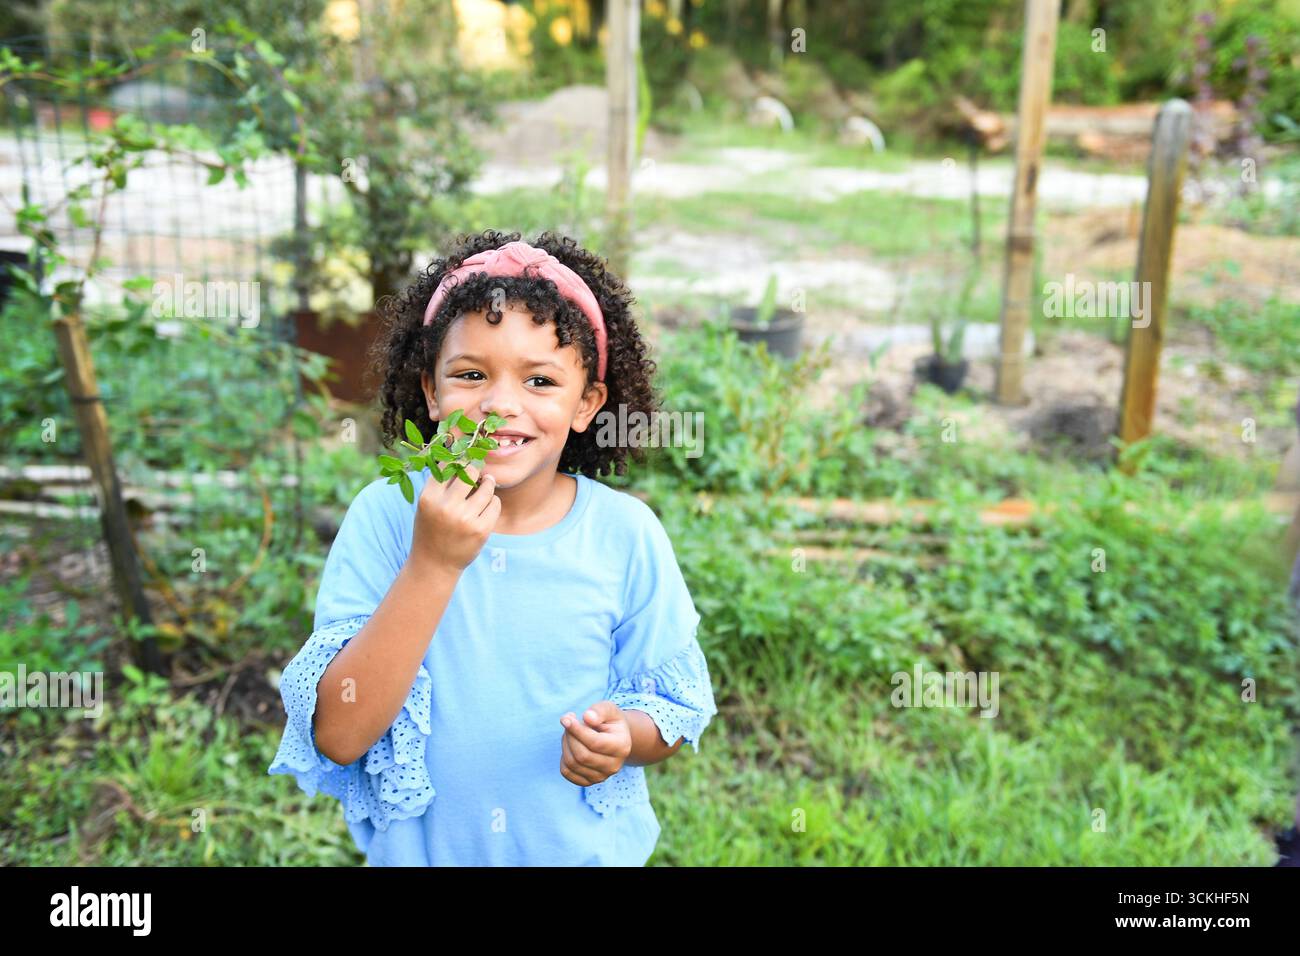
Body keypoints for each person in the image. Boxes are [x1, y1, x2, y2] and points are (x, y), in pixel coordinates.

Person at [267, 230, 717, 866]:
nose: (501, 405)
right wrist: (432, 564)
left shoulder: (626, 536)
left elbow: (669, 711)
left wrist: (624, 738)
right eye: (471, 374)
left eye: (540, 381)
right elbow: (339, 734)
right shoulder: (386, 519)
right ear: (431, 390)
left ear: (588, 403)